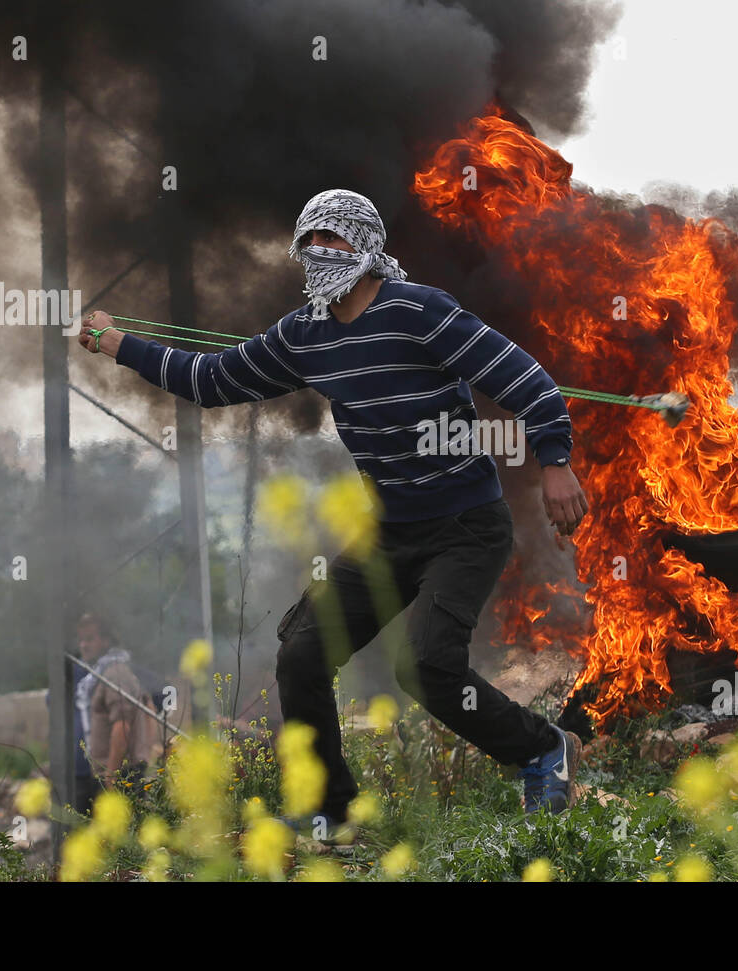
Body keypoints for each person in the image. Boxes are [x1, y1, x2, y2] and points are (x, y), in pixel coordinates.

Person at [77, 188, 588, 838]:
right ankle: (329, 808)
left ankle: (542, 749)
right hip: (392, 530)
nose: (322, 252)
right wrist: (118, 342)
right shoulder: (305, 334)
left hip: (467, 525)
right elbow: (210, 380)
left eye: (336, 239)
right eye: (311, 241)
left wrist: (555, 461)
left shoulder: (420, 312)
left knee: (427, 666)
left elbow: (523, 377)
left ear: (368, 247)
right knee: (302, 648)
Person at [73, 613, 157, 792]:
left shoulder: (116, 673)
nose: (83, 645)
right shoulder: (98, 674)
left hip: (122, 776)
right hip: (110, 773)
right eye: (81, 640)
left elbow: (123, 725)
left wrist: (111, 776)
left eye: (89, 639)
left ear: (106, 641)